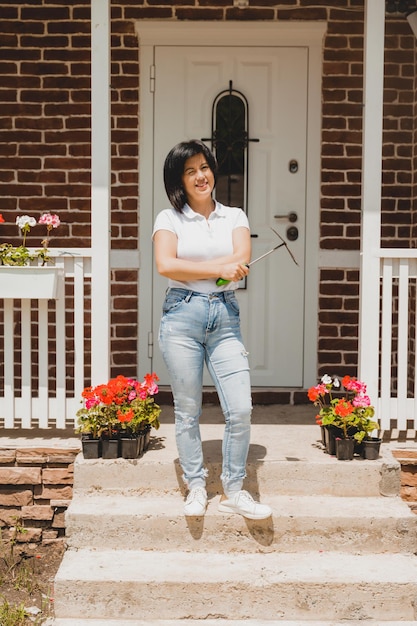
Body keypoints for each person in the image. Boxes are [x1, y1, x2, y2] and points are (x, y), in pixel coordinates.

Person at [152, 139, 272, 520]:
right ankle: (197, 486)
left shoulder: (235, 216)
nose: (200, 176)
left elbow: (241, 259)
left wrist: (205, 266)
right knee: (188, 410)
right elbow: (166, 266)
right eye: (190, 171)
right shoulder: (168, 219)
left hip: (224, 316)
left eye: (204, 167)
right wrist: (217, 268)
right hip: (181, 316)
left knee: (240, 407)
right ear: (179, 180)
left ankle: (234, 490)